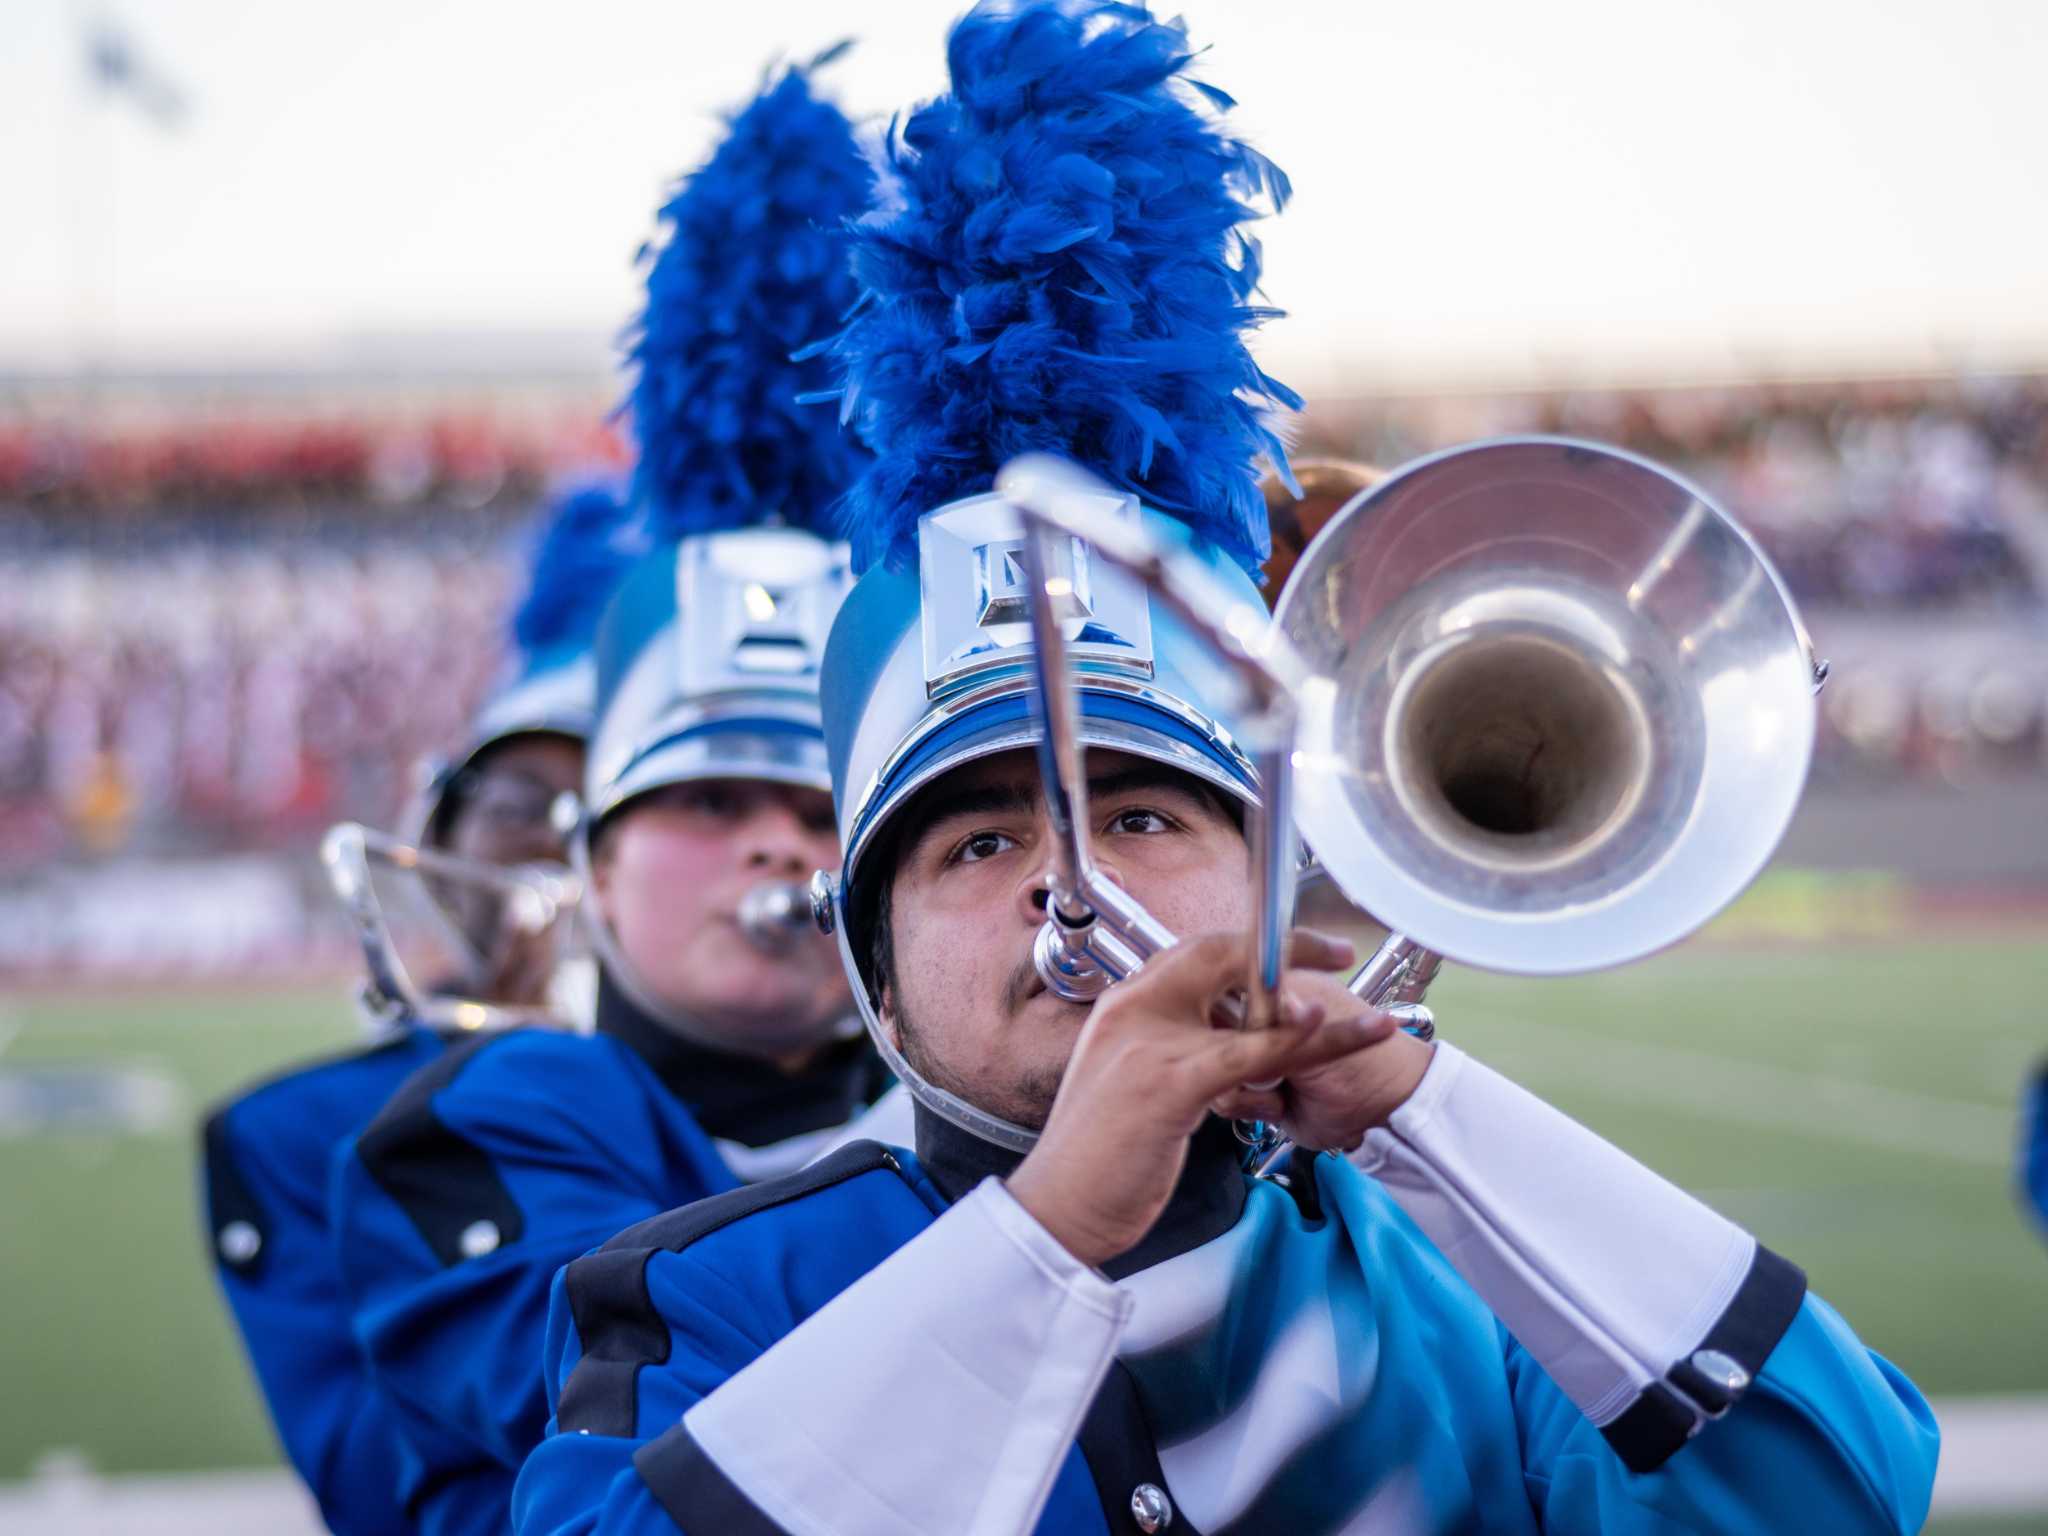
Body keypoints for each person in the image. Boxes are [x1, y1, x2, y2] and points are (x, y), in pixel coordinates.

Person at [512, 6, 1941, 1533]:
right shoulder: (697, 1294)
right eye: (975, 848)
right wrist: (1054, 1231)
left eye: (1142, 813)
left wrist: (1426, 1112)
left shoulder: (1468, 1282)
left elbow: (1837, 1497)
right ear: (874, 962)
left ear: (1273, 878)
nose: (1072, 879)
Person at [326, 56, 891, 1536]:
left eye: (824, 803)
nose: (780, 839)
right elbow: (633, 1405)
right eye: (707, 800)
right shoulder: (484, 1114)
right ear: (592, 862)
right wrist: (1055, 1188)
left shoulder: (966, 1102)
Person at [200, 475, 633, 1536]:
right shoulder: (292, 1134)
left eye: (614, 799)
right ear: (436, 844)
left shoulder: (800, 1083)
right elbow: (377, 1491)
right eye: (523, 800)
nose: (560, 835)